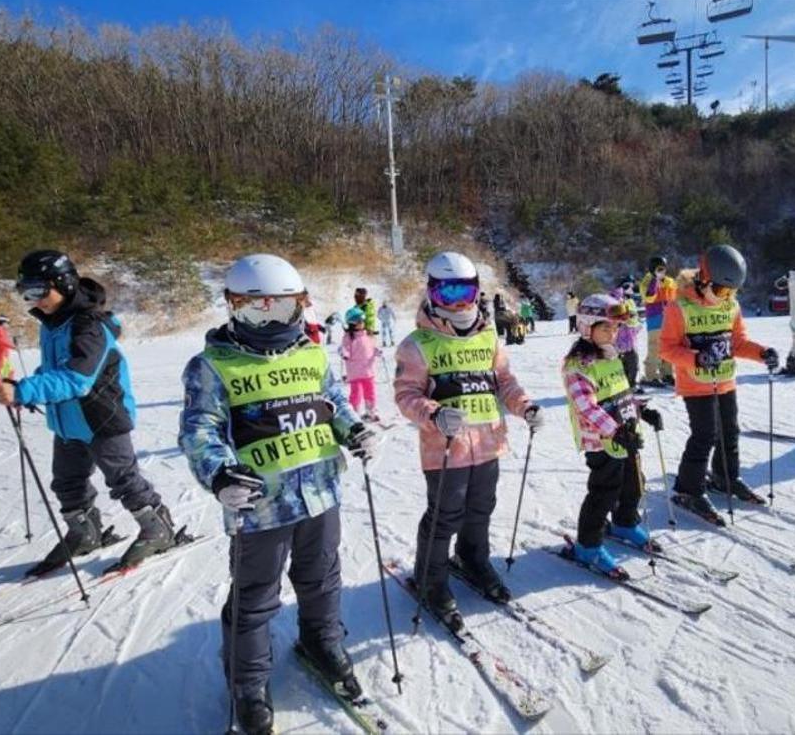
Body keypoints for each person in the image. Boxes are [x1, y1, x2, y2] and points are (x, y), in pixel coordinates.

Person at [179, 253, 373, 734]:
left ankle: (322, 642)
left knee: (322, 578)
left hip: (320, 493)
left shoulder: (311, 353)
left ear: (299, 306)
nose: (269, 319)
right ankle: (247, 683)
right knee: (255, 597)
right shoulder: (212, 365)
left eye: (280, 309)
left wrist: (355, 431)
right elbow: (199, 430)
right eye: (254, 309)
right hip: (260, 507)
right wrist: (220, 475)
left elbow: (334, 404)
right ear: (232, 307)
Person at [0, 250, 181, 575]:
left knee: (124, 479)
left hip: (102, 418)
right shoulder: (53, 322)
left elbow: (77, 378)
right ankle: (84, 533)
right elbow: (56, 367)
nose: (32, 300)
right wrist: (28, 383)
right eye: (25, 292)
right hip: (68, 421)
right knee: (67, 482)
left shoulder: (89, 326)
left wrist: (25, 391)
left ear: (63, 284)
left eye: (38, 291)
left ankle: (158, 529)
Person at [394, 251, 541, 627]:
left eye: (467, 291)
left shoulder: (489, 338)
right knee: (445, 515)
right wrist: (434, 414)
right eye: (448, 293)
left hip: (489, 442)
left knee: (481, 508)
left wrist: (524, 407)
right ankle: (431, 579)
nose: (459, 302)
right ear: (431, 294)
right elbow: (406, 395)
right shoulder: (417, 344)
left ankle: (473, 560)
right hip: (445, 449)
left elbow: (504, 383)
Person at [660, 245, 778, 522]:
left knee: (729, 432)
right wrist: (697, 358)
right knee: (704, 436)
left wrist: (762, 353)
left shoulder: (730, 306)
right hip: (696, 383)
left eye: (732, 292)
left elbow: (737, 342)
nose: (726, 297)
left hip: (724, 380)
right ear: (703, 278)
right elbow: (666, 349)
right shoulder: (679, 308)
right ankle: (688, 490)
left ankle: (725, 477)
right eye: (722, 290)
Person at [562, 293, 663, 575]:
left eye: (615, 327)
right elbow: (586, 407)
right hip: (601, 441)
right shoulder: (578, 365)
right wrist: (615, 431)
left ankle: (625, 522)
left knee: (634, 482)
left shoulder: (611, 356)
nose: (612, 333)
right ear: (586, 326)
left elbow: (620, 394)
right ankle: (588, 545)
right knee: (604, 491)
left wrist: (641, 411)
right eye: (605, 327)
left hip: (625, 434)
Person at [639, 256, 677, 387]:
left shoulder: (669, 282)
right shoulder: (646, 281)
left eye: (664, 268)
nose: (663, 271)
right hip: (655, 319)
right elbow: (649, 297)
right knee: (655, 348)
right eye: (659, 268)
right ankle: (650, 376)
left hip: (669, 320)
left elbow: (676, 297)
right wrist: (655, 279)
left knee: (668, 348)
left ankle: (666, 374)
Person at [340, 308, 381, 421]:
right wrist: (345, 354)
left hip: (368, 370)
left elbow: (371, 347)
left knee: (370, 392)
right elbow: (345, 347)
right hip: (355, 372)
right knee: (356, 394)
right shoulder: (348, 337)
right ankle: (354, 414)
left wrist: (377, 351)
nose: (362, 323)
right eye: (359, 321)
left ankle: (370, 411)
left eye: (362, 321)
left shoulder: (367, 335)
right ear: (352, 323)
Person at [610, 277, 642, 391]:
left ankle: (631, 384)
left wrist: (636, 323)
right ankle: (621, 386)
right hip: (619, 337)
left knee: (633, 362)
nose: (631, 289)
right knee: (621, 364)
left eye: (632, 286)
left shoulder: (631, 301)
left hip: (630, 337)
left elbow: (635, 318)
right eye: (628, 286)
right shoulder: (615, 298)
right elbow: (612, 315)